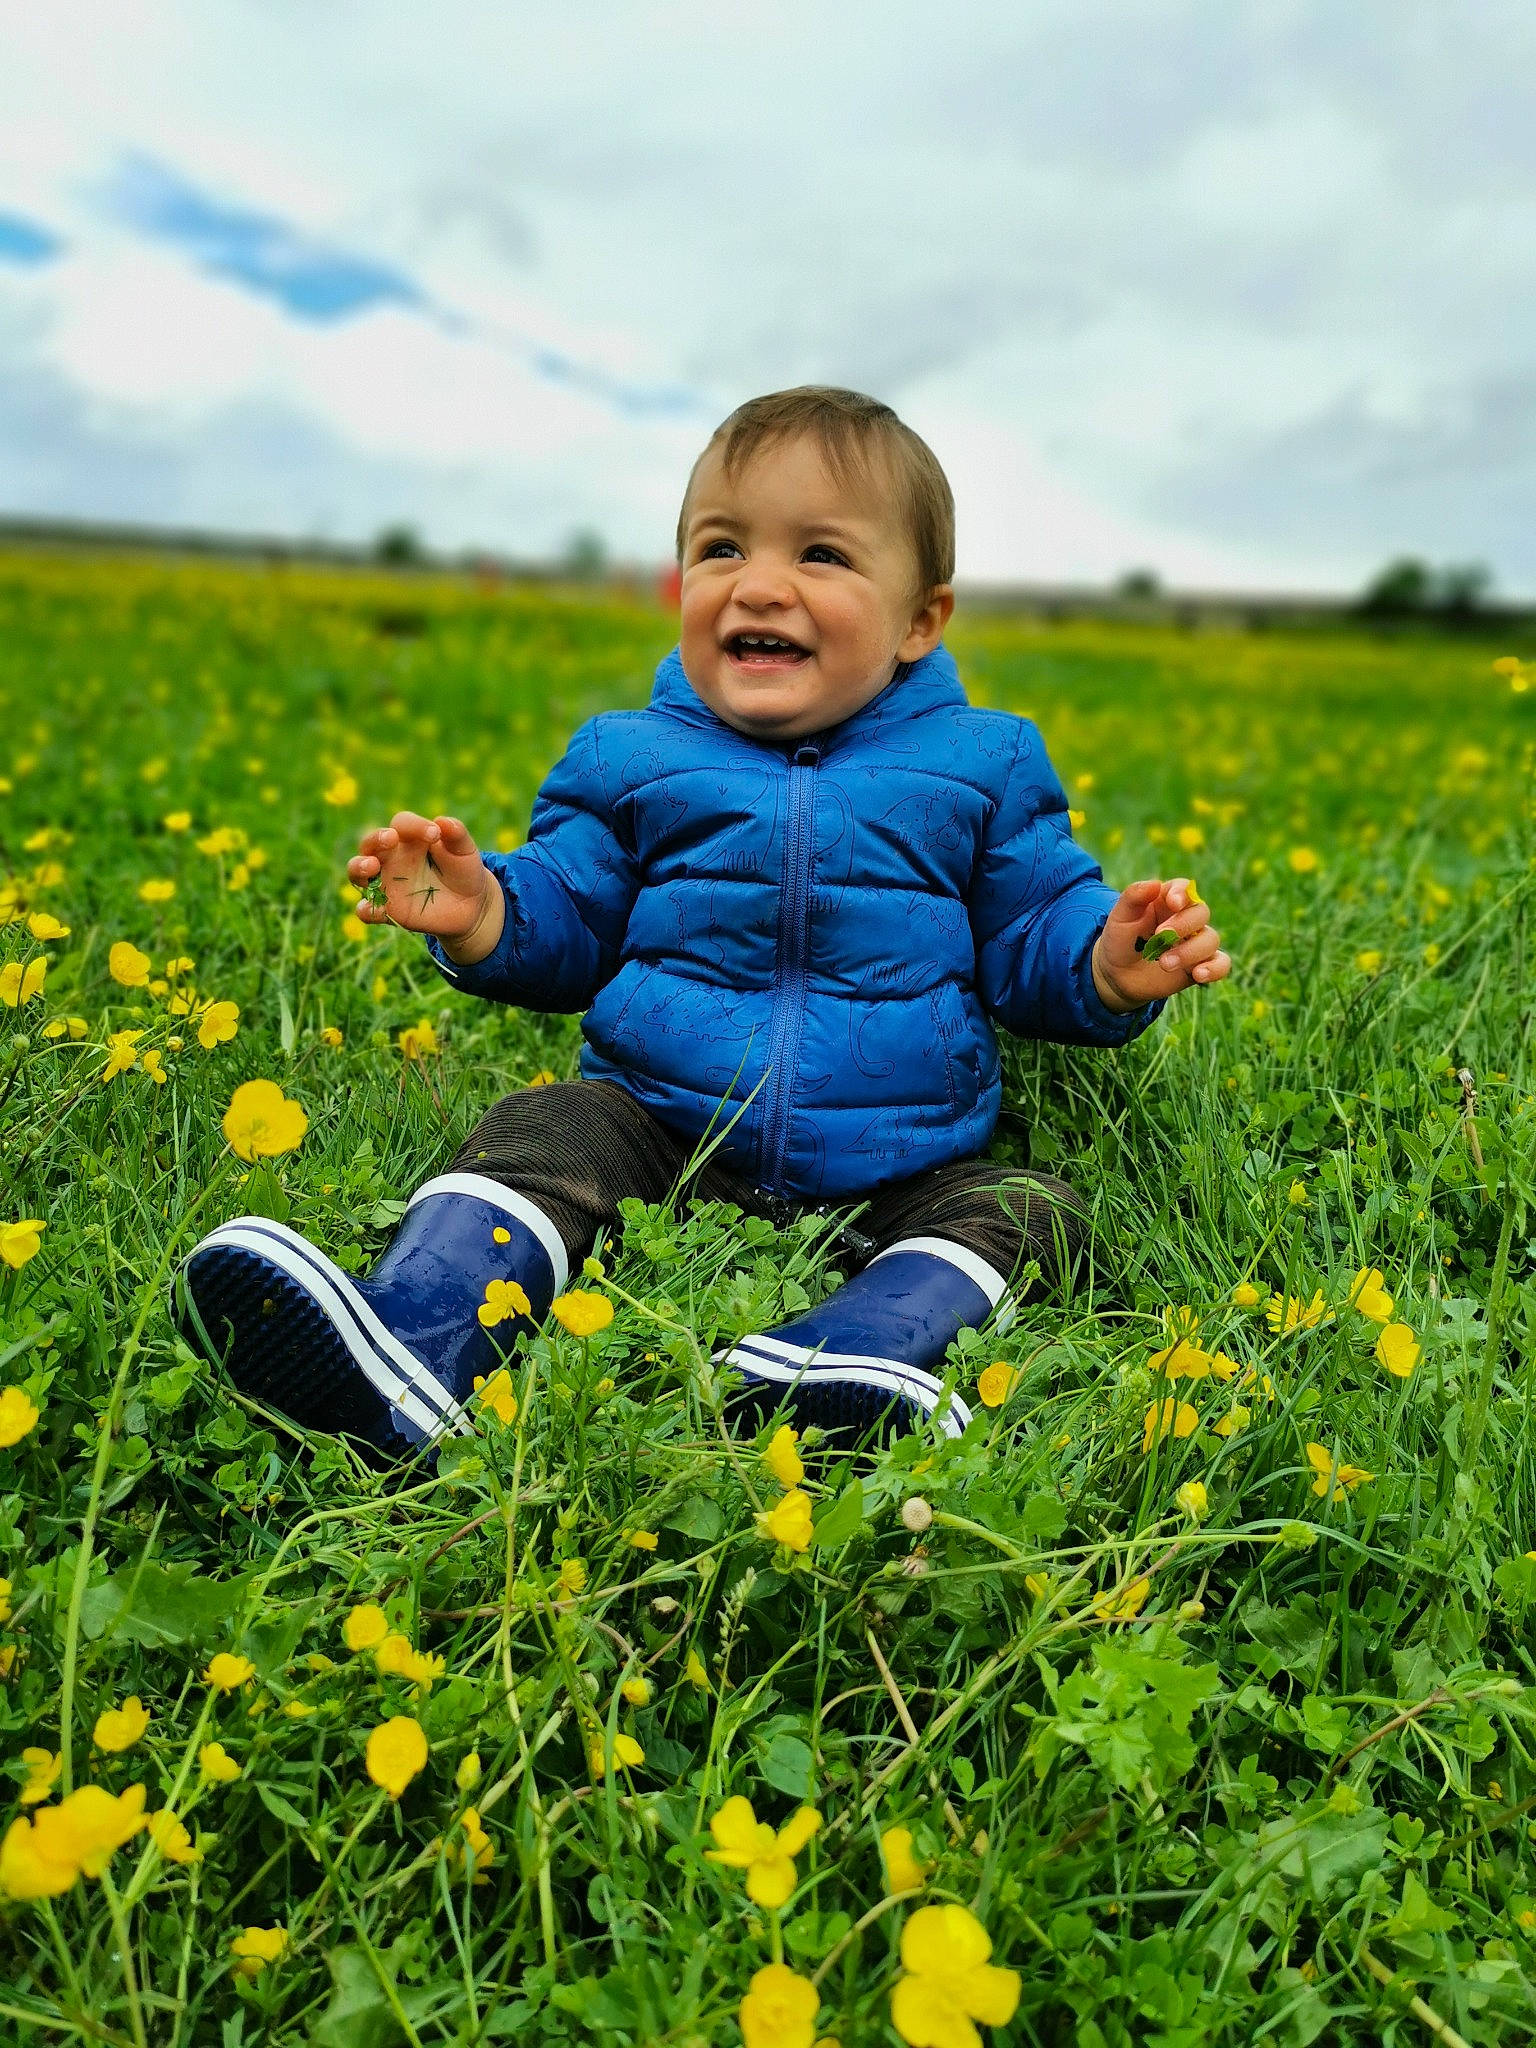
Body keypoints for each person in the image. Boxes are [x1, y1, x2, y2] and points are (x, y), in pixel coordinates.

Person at [179, 387, 1230, 1460]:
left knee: (1027, 1203)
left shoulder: (983, 763)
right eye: (721, 547)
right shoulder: (629, 755)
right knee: (544, 1123)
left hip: (904, 1157)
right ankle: (412, 1342)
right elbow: (573, 912)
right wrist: (487, 910)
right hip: (662, 1133)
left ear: (922, 619)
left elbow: (1029, 932)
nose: (758, 584)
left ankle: (855, 1353)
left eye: (821, 555)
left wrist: (1100, 961)